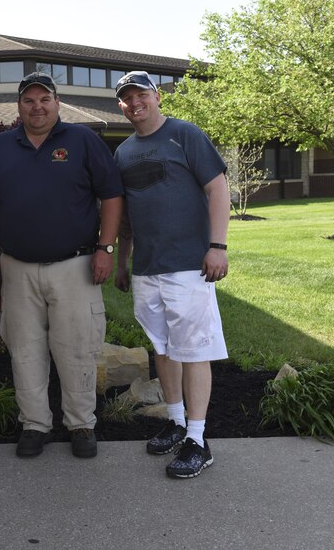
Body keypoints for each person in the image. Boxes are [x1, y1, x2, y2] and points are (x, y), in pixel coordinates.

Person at [0, 72, 124, 459]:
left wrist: (106, 249)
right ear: (19, 107)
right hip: (17, 268)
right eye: (29, 100)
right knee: (24, 350)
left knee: (77, 349)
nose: (37, 107)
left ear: (57, 103)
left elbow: (111, 195)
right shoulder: (0, 147)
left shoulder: (83, 141)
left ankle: (81, 424)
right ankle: (35, 424)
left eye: (45, 99)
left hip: (75, 266)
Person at [113, 71, 230, 479]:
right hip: (147, 268)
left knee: (194, 350)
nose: (135, 103)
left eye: (141, 95)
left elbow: (218, 188)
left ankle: (198, 440)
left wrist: (217, 247)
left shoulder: (185, 134)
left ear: (157, 96)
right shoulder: (123, 152)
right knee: (163, 347)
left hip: (189, 265)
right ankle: (177, 421)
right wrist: (123, 260)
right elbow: (127, 215)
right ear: (121, 106)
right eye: (127, 98)